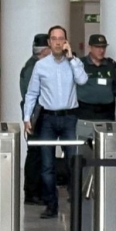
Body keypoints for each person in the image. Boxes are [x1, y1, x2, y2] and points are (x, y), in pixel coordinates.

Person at [23, 25, 88, 219]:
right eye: (54, 39)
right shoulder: (41, 66)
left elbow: (83, 80)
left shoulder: (74, 62)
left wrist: (72, 59)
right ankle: (51, 205)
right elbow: (32, 93)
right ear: (49, 43)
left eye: (61, 38)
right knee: (47, 165)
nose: (58, 42)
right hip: (48, 118)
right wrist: (27, 117)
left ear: (66, 42)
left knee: (73, 162)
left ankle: (75, 202)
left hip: (69, 117)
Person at [21, 33, 49, 206]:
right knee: (36, 154)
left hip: (37, 113)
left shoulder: (32, 65)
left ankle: (37, 191)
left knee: (38, 152)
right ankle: (32, 192)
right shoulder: (33, 67)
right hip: (36, 114)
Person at [75, 33, 116, 122]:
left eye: (103, 47)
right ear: (90, 47)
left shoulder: (111, 65)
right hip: (85, 110)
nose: (101, 50)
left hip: (107, 112)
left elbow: (114, 88)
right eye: (97, 47)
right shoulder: (80, 64)